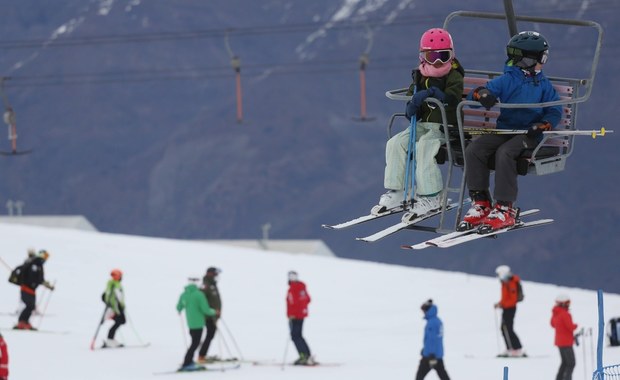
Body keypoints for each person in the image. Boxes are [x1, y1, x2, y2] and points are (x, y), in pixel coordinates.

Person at [459, 31, 562, 232]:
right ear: (527, 60)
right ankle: (481, 203)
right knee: (474, 149)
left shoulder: (543, 84)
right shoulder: (508, 79)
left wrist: (543, 125)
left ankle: (505, 208)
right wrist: (483, 95)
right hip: (505, 131)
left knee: (505, 153)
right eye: (542, 58)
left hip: (529, 136)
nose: (544, 63)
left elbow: (554, 110)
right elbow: (478, 92)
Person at [377, 27, 464, 218]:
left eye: (443, 55)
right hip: (422, 125)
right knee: (395, 143)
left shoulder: (454, 75)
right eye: (432, 57)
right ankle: (398, 192)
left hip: (445, 126)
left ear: (452, 55)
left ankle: (432, 196)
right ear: (423, 57)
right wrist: (412, 106)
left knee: (425, 147)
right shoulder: (420, 75)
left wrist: (433, 94)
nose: (439, 61)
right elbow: (411, 102)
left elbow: (452, 100)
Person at [177, 277, 217, 372]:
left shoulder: (184, 294)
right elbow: (205, 310)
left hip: (190, 323)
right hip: (198, 324)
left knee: (194, 342)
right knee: (195, 343)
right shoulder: (199, 295)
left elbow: (179, 307)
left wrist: (180, 309)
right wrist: (214, 312)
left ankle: (189, 361)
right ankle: (187, 363)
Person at [14, 250, 54, 330]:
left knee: (31, 306)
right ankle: (21, 322)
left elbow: (39, 278)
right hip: (26, 288)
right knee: (30, 306)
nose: (46, 259)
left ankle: (25, 322)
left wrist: (46, 285)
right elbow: (33, 278)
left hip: (31, 289)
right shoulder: (34, 264)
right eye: (45, 256)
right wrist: (40, 282)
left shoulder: (38, 265)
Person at [415, 299, 450, 380]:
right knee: (443, 375)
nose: (423, 312)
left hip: (430, 356)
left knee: (419, 376)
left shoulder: (432, 323)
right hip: (437, 354)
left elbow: (432, 340)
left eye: (424, 310)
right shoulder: (437, 321)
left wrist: (431, 354)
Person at [494, 265, 524, 357]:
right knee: (504, 328)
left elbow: (512, 299)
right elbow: (505, 298)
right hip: (506, 308)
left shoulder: (511, 283)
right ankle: (510, 348)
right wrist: (500, 304)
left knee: (508, 328)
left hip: (510, 309)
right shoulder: (505, 283)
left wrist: (502, 305)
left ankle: (516, 348)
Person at [286, 270, 315, 365]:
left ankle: (304, 356)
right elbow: (307, 299)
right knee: (298, 336)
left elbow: (293, 303)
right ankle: (307, 355)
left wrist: (292, 314)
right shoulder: (301, 287)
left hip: (295, 316)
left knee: (295, 336)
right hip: (301, 314)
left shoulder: (293, 288)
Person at [197, 267, 222, 363]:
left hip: (214, 316)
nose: (217, 276)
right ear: (210, 274)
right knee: (209, 335)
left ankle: (202, 354)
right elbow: (202, 301)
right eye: (216, 274)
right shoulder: (206, 285)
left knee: (210, 335)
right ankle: (201, 356)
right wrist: (210, 312)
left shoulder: (212, 285)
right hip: (209, 316)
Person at [551, 294, 578, 380]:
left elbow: (552, 324)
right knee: (571, 363)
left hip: (559, 342)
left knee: (565, 362)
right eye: (567, 303)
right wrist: (576, 325)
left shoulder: (556, 313)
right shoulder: (565, 314)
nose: (568, 304)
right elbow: (570, 327)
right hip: (566, 342)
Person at [102, 269, 126, 348]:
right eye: (120, 276)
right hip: (115, 307)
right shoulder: (112, 284)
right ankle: (110, 340)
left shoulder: (116, 284)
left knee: (121, 321)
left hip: (118, 307)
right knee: (120, 321)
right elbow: (111, 295)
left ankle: (111, 340)